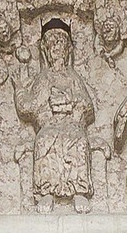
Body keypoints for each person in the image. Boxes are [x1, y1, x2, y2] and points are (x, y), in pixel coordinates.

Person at [13, 19, 97, 211]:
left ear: (68, 50)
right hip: (49, 125)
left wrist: (72, 102)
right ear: (46, 51)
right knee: (44, 141)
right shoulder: (44, 77)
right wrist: (19, 88)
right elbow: (28, 108)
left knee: (79, 141)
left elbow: (89, 108)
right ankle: (47, 193)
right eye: (52, 45)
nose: (57, 49)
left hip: (72, 123)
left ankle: (79, 192)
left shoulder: (73, 77)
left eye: (61, 45)